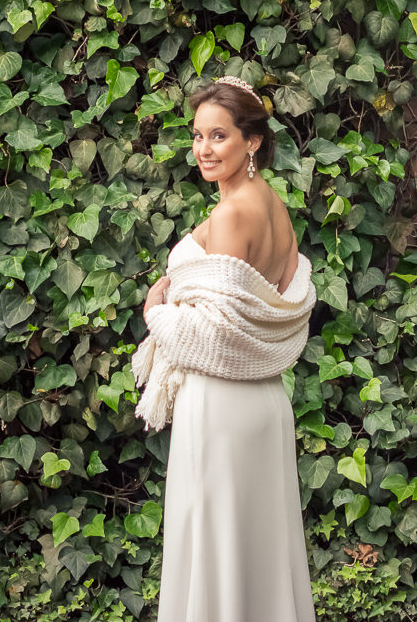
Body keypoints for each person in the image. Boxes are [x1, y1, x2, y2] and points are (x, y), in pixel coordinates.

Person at [132, 76, 317, 622]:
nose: (204, 149)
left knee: (217, 546)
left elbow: (218, 334)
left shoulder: (234, 214)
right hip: (264, 399)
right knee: (258, 549)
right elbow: (272, 304)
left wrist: (156, 313)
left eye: (219, 136)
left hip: (220, 400)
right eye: (197, 136)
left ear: (252, 141)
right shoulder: (273, 205)